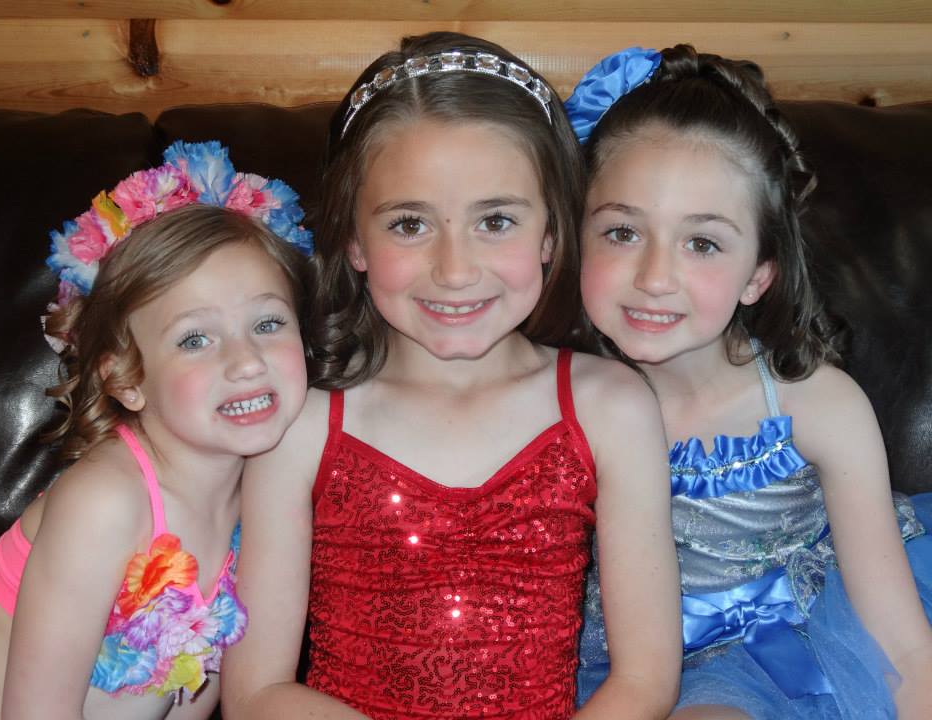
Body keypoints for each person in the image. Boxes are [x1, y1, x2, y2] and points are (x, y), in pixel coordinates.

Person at [222, 31, 681, 720]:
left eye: (495, 220)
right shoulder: (302, 425)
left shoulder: (609, 408)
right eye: (410, 225)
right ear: (354, 241)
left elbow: (644, 680)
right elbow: (256, 691)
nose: (455, 270)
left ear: (551, 233)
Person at [567, 44, 932, 719]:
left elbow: (906, 648)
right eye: (622, 232)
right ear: (574, 237)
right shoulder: (554, 408)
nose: (654, 277)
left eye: (702, 243)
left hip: (810, 634)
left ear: (759, 274)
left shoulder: (819, 406)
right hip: (630, 662)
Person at [0, 141, 313, 720]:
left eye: (267, 323)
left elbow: (193, 689)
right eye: (195, 339)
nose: (247, 362)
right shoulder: (104, 503)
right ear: (127, 380)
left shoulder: (266, 492)